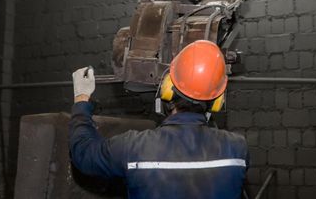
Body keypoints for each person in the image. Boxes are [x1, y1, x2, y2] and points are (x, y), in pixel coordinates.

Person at [69, 40, 249, 199]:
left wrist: (81, 99)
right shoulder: (237, 150)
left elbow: (83, 154)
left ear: (168, 88)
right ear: (218, 100)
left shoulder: (134, 148)